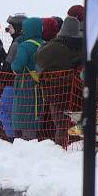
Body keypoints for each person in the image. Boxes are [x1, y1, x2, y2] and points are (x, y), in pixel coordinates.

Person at [34, 15, 82, 145]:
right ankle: (75, 149)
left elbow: (37, 60)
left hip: (54, 94)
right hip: (78, 93)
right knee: (76, 126)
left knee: (60, 125)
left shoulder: (50, 48)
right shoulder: (83, 48)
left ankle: (61, 150)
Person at [9, 17, 43, 141]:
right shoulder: (44, 44)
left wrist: (13, 67)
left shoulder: (24, 45)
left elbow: (17, 65)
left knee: (23, 114)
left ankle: (24, 144)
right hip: (39, 84)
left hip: (25, 85)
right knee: (35, 112)